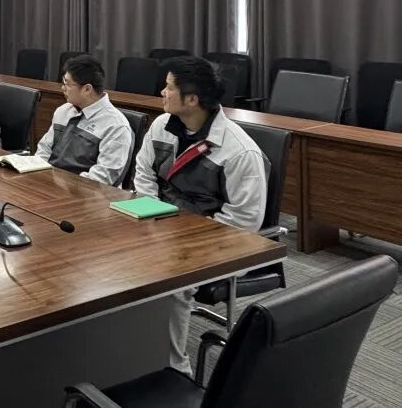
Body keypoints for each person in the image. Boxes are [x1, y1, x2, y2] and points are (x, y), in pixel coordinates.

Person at [134, 56, 269, 376]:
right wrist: (153, 215)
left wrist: (183, 237)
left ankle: (174, 370)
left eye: (169, 87)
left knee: (170, 281)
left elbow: (243, 222)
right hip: (160, 225)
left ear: (192, 99)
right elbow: (143, 173)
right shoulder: (161, 125)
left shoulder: (240, 151)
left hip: (214, 242)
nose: (162, 92)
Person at [35, 54, 134, 185]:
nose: (63, 88)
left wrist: (62, 184)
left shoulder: (115, 126)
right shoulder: (63, 111)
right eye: (63, 81)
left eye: (67, 83)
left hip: (86, 192)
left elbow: (103, 177)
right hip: (51, 184)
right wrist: (38, 176)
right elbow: (44, 149)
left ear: (87, 89)